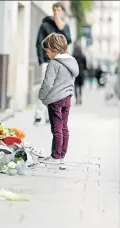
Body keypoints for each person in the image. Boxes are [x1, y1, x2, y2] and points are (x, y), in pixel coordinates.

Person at [38, 33, 79, 165]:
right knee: (64, 127)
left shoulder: (54, 64)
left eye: (47, 51)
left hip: (55, 100)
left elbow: (47, 83)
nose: (47, 54)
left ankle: (55, 156)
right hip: (67, 98)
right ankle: (62, 155)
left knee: (56, 128)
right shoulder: (72, 62)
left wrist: (41, 95)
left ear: (54, 48)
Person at [34, 2, 72, 125]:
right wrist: (41, 60)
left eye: (58, 10)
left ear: (62, 12)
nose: (56, 12)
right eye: (54, 9)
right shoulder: (45, 26)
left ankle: (49, 116)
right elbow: (39, 43)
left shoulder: (64, 26)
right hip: (47, 62)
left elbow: (68, 40)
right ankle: (39, 114)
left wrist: (60, 26)